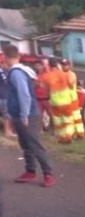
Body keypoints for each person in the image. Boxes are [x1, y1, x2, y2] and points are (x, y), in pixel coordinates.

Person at [2, 44, 55, 187]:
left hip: (27, 115)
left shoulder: (16, 73)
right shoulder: (22, 70)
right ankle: (30, 171)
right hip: (20, 114)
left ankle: (48, 173)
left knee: (34, 144)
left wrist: (24, 115)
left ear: (5, 57)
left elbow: (24, 94)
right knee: (26, 144)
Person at [41, 58, 74, 144]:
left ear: (49, 65)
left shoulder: (46, 76)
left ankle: (61, 137)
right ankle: (68, 136)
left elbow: (46, 90)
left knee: (58, 120)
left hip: (54, 101)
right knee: (67, 119)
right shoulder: (64, 74)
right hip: (66, 100)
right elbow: (71, 85)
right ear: (57, 65)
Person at [60, 59, 84, 139]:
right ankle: (71, 133)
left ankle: (79, 133)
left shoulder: (72, 74)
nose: (64, 66)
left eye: (65, 65)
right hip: (65, 100)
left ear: (69, 66)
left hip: (72, 100)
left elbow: (70, 83)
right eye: (63, 65)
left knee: (75, 117)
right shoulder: (61, 74)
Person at [0, 66, 15, 137]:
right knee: (7, 115)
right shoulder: (2, 73)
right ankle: (7, 131)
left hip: (5, 95)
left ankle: (9, 130)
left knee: (7, 115)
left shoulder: (5, 72)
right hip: (4, 96)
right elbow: (7, 82)